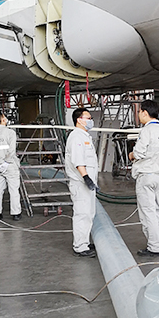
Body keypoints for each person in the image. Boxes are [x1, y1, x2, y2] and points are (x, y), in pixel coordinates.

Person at [129, 100, 159, 256]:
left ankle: (154, 247)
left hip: (146, 176)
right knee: (157, 211)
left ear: (145, 113)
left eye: (139, 111)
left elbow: (139, 152)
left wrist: (131, 155)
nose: (139, 114)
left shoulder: (147, 131)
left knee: (147, 213)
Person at [65, 108, 99, 257]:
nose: (91, 121)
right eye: (88, 118)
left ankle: (84, 241)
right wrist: (86, 178)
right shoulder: (76, 137)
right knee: (82, 214)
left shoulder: (84, 136)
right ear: (79, 120)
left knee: (89, 213)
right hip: (80, 183)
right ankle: (80, 246)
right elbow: (78, 160)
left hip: (87, 183)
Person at [0, 111, 21, 221]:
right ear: (2, 119)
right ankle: (15, 213)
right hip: (9, 165)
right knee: (13, 189)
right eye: (4, 116)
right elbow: (12, 150)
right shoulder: (10, 133)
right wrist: (6, 163)